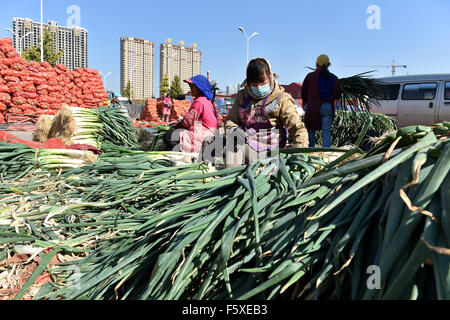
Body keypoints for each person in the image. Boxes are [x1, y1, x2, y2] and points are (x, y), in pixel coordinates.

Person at [225, 57, 307, 168]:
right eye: (254, 83)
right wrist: (233, 130)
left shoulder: (282, 98)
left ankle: (230, 180)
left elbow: (297, 127)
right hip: (247, 143)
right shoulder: (242, 96)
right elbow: (231, 121)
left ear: (270, 76)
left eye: (262, 81)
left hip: (270, 151)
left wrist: (299, 149)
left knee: (233, 149)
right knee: (212, 141)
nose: (258, 86)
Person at [163, 75, 219, 155]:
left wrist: (176, 125)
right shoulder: (206, 101)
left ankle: (181, 156)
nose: (190, 88)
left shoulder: (199, 102)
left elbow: (187, 121)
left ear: (199, 88)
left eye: (193, 86)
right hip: (210, 131)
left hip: (203, 133)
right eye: (190, 86)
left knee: (168, 135)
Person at [301, 54, 341, 148]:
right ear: (329, 65)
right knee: (326, 131)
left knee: (311, 130)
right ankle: (326, 152)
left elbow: (303, 92)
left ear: (316, 64)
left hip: (313, 107)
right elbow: (338, 95)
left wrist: (306, 103)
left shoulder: (310, 76)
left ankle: (310, 150)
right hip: (328, 107)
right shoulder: (334, 78)